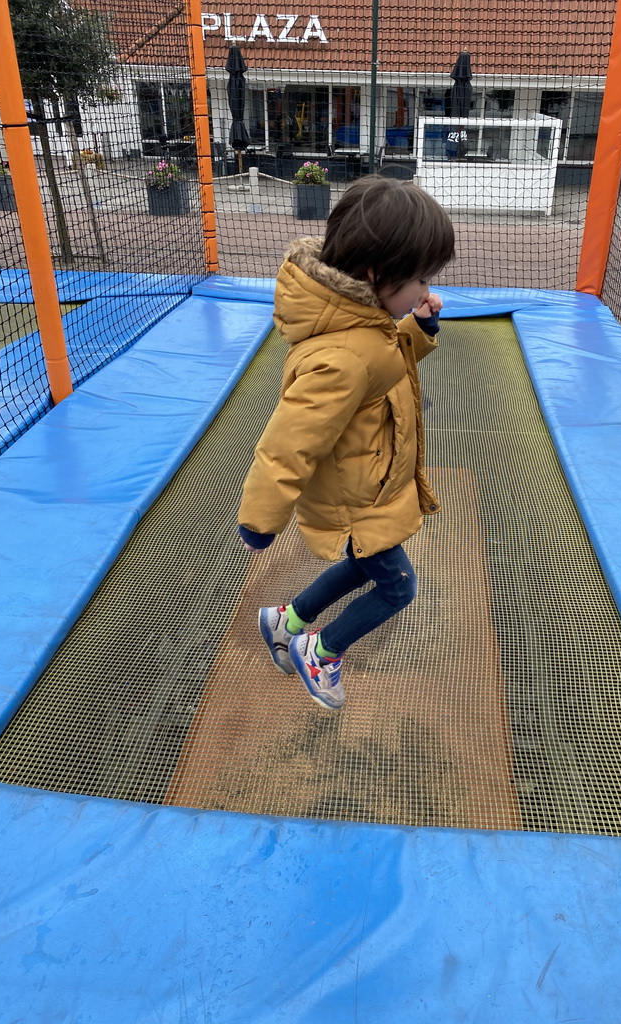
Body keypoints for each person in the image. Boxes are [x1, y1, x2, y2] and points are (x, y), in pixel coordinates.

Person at [238, 175, 455, 710]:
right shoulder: (341, 353)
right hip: (360, 497)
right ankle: (323, 651)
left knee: (363, 564)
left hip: (373, 481)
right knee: (397, 587)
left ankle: (285, 621)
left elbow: (382, 367)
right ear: (378, 275)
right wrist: (261, 520)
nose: (426, 290)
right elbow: (290, 441)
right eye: (419, 279)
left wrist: (419, 330)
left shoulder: (366, 317)